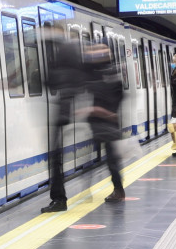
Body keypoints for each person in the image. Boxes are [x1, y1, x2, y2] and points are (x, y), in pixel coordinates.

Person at [40, 28, 88, 213]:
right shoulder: (71, 50)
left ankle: (59, 199)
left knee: (55, 157)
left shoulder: (64, 51)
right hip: (67, 111)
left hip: (63, 112)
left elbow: (52, 80)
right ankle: (61, 197)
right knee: (56, 157)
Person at [82, 44, 126, 202]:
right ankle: (116, 189)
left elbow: (108, 94)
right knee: (109, 157)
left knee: (111, 158)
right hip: (104, 121)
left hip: (106, 121)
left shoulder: (107, 73)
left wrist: (98, 110)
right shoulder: (108, 71)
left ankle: (118, 190)